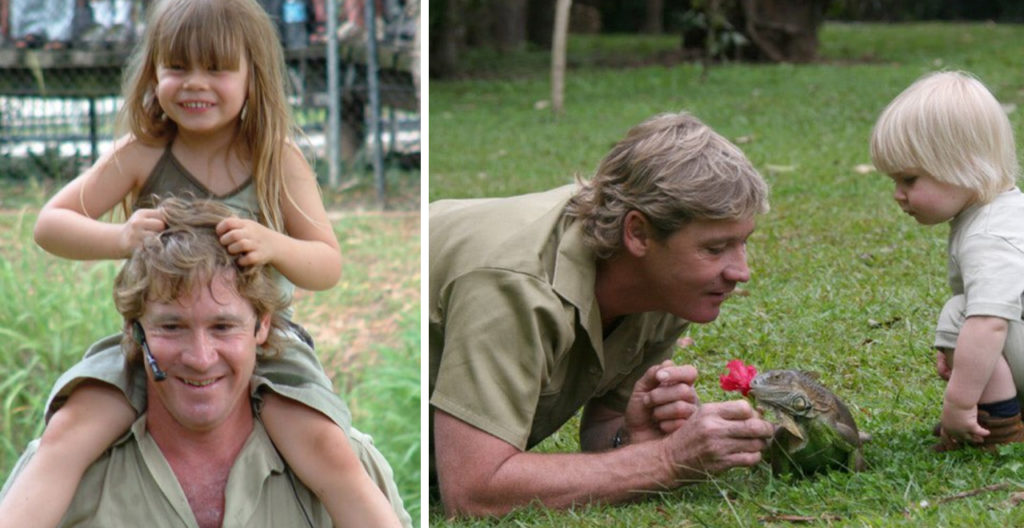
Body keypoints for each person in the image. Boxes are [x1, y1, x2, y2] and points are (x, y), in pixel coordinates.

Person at [0, 0, 409, 526]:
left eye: (216, 68)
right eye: (178, 67)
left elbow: (326, 264)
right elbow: (49, 225)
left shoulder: (274, 157)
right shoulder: (142, 152)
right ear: (154, 74)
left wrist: (274, 244)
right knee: (67, 434)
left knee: (329, 449)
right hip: (151, 344)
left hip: (266, 345)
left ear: (252, 77)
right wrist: (121, 236)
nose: (195, 84)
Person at [429, 111, 776, 517]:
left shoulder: (669, 284)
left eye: (743, 243)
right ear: (638, 234)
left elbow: (604, 430)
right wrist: (666, 460)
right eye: (714, 249)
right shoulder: (516, 285)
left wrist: (633, 437)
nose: (741, 272)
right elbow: (473, 492)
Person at [2, 198, 404, 527]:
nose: (199, 358)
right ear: (134, 329)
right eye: (172, 327)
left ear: (262, 326)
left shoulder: (345, 459)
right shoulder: (70, 472)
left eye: (223, 326)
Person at [870, 70, 1024, 452]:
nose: (898, 195)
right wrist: (953, 351)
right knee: (967, 317)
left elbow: (989, 323)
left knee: (962, 314)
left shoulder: (988, 234)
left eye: (909, 179)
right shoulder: (1003, 211)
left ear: (963, 166)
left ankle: (999, 427)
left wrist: (959, 401)